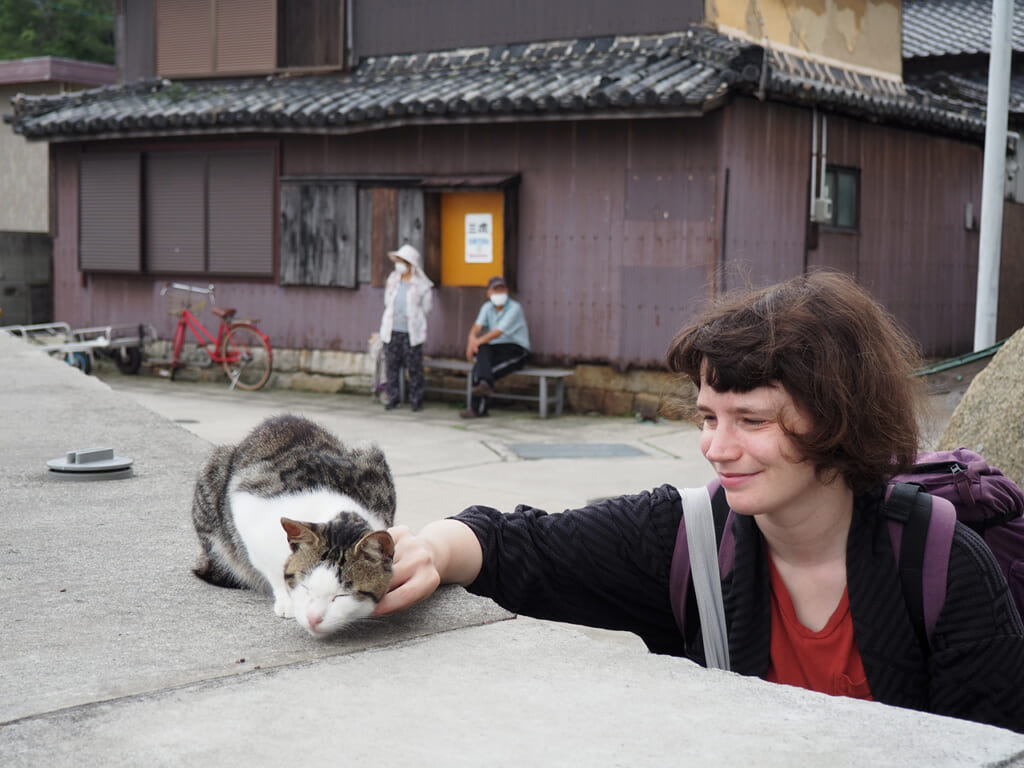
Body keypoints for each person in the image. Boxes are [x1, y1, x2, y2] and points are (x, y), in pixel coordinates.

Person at [375, 270, 1024, 733]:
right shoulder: (687, 533)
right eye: (708, 417)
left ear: (836, 419)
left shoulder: (944, 568)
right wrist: (432, 549)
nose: (717, 447)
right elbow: (522, 544)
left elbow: (991, 746)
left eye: (750, 420)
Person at [460, 275, 531, 419]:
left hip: (516, 350)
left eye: (502, 289)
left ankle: (478, 408)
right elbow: (477, 326)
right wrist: (471, 340)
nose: (499, 293)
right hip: (496, 348)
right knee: (482, 361)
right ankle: (480, 405)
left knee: (481, 371)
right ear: (488, 293)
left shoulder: (515, 308)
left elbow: (498, 332)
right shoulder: (487, 307)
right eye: (495, 290)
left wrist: (475, 343)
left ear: (507, 291)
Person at [379, 243, 433, 412]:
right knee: (391, 366)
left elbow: (427, 308)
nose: (399, 264)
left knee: (414, 367)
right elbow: (387, 301)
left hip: (412, 332)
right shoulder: (393, 279)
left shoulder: (421, 285)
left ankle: (416, 399)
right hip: (392, 329)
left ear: (411, 264)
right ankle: (393, 397)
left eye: (402, 260)